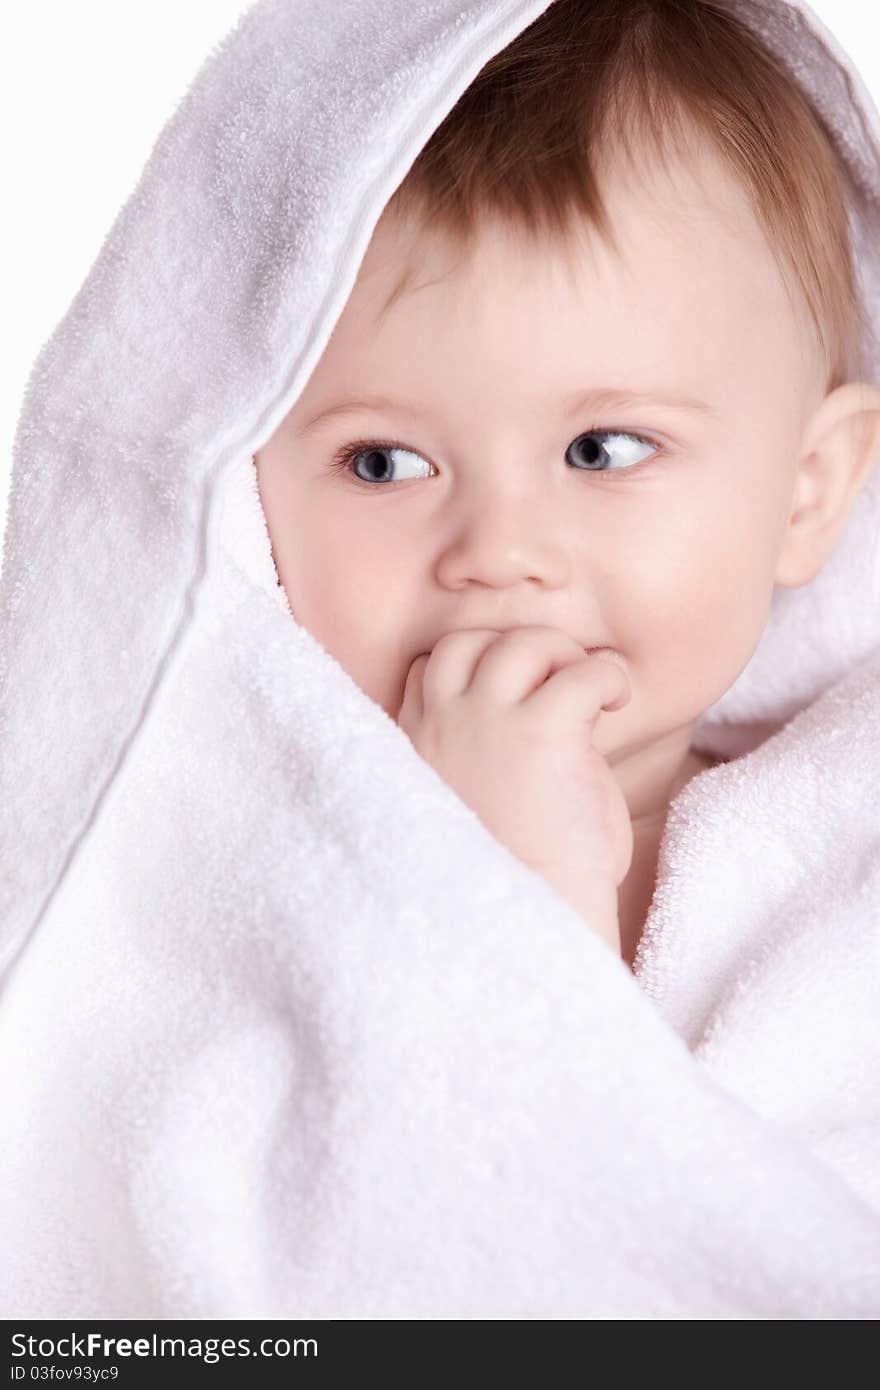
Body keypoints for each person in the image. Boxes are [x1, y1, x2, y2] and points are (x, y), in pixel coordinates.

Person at [1, 0, 879, 1319]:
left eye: (603, 448)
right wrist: (501, 890)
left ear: (809, 489)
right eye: (385, 462)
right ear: (238, 491)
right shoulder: (191, 901)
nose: (497, 552)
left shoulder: (843, 884)